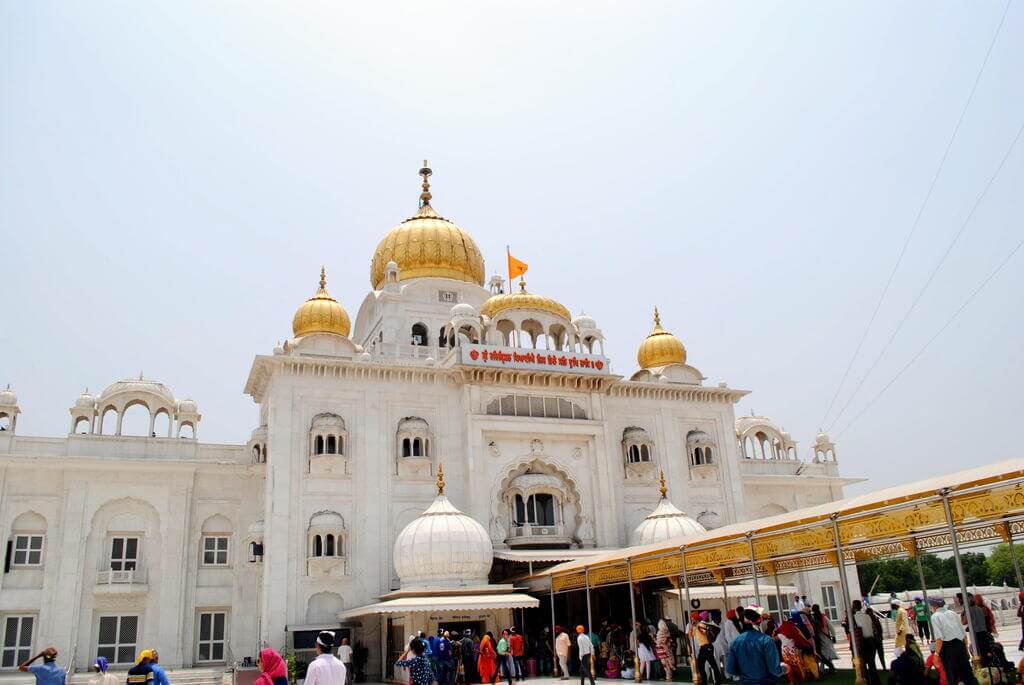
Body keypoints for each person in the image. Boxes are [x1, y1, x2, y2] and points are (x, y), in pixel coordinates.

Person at [726, 608, 787, 685]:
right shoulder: (766, 640)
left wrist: (746, 672)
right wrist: (785, 668)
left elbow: (730, 669)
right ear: (759, 622)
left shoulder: (735, 642)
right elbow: (775, 669)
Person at [929, 597, 978, 685]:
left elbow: (939, 638)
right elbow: (964, 635)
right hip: (960, 645)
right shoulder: (953, 613)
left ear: (934, 605)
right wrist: (966, 650)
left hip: (947, 648)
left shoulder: (935, 616)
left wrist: (936, 655)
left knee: (951, 675)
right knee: (967, 674)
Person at [774, 611, 813, 685]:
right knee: (797, 666)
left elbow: (773, 639)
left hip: (785, 652)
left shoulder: (781, 634)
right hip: (793, 651)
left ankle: (792, 681)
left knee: (788, 667)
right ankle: (801, 679)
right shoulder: (793, 632)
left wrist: (774, 632)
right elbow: (800, 638)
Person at [851, 601, 881, 685]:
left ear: (854, 607)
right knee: (872, 664)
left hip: (862, 642)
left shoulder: (854, 617)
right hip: (871, 641)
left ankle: (866, 681)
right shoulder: (867, 616)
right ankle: (876, 682)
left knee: (863, 665)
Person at [810, 605, 836, 674]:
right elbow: (831, 627)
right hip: (826, 638)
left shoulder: (812, 618)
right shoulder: (824, 617)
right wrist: (833, 636)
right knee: (827, 654)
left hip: (818, 639)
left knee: (822, 655)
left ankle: (822, 669)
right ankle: (830, 668)